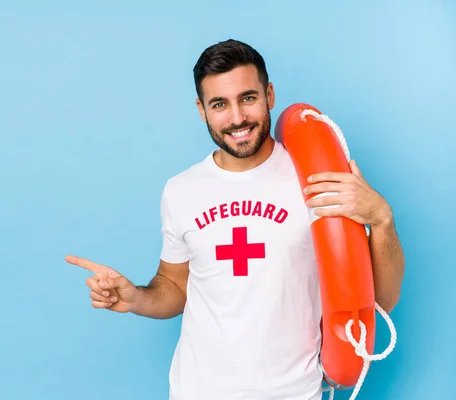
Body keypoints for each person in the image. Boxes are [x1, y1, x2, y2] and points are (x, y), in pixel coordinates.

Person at [65, 39, 405, 400]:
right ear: (202, 110)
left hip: (292, 392)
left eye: (247, 98)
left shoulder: (317, 181)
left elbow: (378, 299)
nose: (237, 118)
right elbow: (174, 287)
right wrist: (134, 297)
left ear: (269, 95)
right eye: (219, 104)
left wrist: (381, 218)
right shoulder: (180, 191)